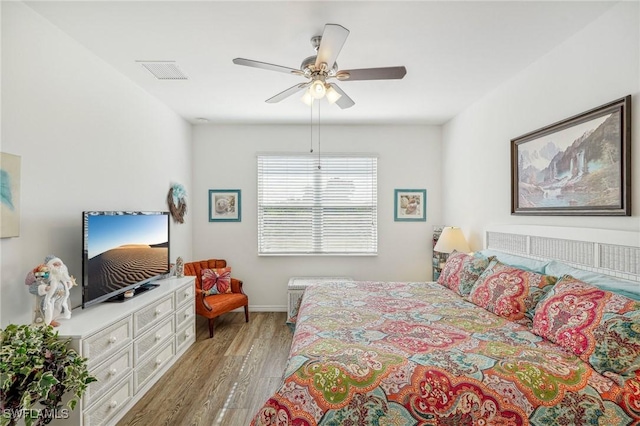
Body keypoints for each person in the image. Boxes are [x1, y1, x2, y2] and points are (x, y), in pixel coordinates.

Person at [25, 255, 76, 326]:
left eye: (59, 264)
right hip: (48, 299)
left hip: (59, 297)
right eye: (55, 264)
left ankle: (52, 319)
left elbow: (67, 281)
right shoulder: (46, 274)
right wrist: (44, 288)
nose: (58, 266)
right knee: (47, 309)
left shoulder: (62, 275)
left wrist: (68, 284)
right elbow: (32, 286)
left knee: (57, 309)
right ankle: (46, 322)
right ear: (50, 266)